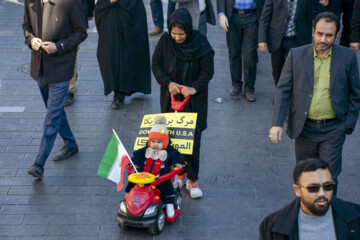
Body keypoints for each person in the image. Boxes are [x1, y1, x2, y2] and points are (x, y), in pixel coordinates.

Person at [269, 12, 360, 195]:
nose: (323, 39)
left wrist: (347, 124)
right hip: (305, 128)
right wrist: (277, 123)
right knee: (305, 175)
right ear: (313, 31)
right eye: (319, 34)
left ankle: (329, 216)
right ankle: (307, 213)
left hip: (333, 129)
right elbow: (283, 90)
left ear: (336, 36)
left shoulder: (347, 57)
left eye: (329, 35)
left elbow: (355, 93)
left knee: (329, 177)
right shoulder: (296, 55)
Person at [152, 8, 214, 198]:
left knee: (192, 142)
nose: (177, 38)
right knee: (171, 140)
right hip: (170, 100)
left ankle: (192, 179)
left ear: (188, 30)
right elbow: (156, 65)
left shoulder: (200, 43)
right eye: (174, 33)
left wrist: (193, 88)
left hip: (193, 103)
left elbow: (207, 71)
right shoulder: (165, 41)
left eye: (181, 34)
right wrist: (168, 82)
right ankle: (177, 174)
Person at [23, 0, 88, 179]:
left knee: (52, 115)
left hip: (61, 67)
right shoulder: (30, 1)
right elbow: (26, 27)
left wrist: (58, 47)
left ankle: (39, 163)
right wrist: (31, 40)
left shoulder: (70, 2)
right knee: (55, 110)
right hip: (40, 67)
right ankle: (70, 143)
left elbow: (81, 32)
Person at [259, 158, 360, 239]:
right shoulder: (272, 226)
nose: (322, 193)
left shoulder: (356, 217)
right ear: (297, 190)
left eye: (328, 186)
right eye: (313, 188)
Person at [94, 0, 151, 109]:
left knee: (129, 53)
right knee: (109, 54)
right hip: (108, 12)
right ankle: (117, 88)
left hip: (131, 11)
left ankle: (120, 92)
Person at [258, 0, 329, 87]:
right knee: (277, 71)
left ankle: (291, 96)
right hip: (276, 39)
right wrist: (262, 39)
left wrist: (309, 44)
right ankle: (280, 95)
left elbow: (308, 20)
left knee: (293, 71)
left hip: (295, 40)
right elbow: (264, 17)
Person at [125, 115, 185, 218]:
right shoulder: (147, 149)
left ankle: (169, 204)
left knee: (167, 188)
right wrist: (135, 163)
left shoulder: (169, 151)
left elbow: (176, 155)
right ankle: (131, 197)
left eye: (159, 142)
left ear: (165, 142)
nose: (155, 145)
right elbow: (138, 154)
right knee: (134, 184)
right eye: (153, 141)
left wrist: (177, 164)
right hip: (145, 176)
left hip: (160, 178)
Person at [217, 0, 263, 102]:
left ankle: (249, 88)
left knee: (250, 54)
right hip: (233, 16)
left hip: (252, 15)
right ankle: (236, 83)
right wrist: (221, 14)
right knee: (234, 52)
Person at [64, 0, 95, 107]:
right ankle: (69, 80)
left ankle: (69, 89)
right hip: (55, 15)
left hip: (76, 14)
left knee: (72, 52)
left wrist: (90, 10)